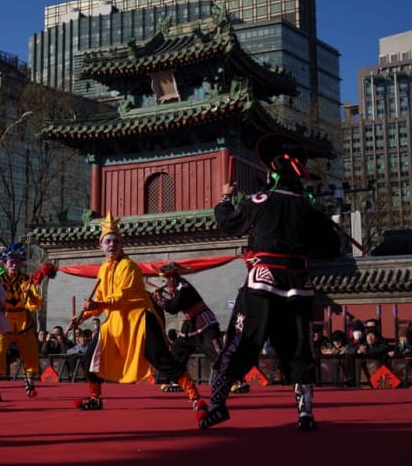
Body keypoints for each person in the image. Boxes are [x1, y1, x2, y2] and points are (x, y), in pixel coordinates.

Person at [200, 133, 341, 431]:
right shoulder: (309, 208)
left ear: (273, 173)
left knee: (242, 341)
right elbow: (331, 246)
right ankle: (305, 413)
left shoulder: (260, 200)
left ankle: (217, 403)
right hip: (298, 285)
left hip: (262, 282)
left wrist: (225, 197)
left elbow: (229, 223)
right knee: (299, 347)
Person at [68, 212, 207, 420]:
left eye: (116, 241)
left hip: (139, 320)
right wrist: (82, 317)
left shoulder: (130, 267)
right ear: (101, 246)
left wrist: (98, 304)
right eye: (108, 241)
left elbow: (122, 296)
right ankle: (95, 398)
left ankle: (195, 396)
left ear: (122, 244)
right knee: (89, 358)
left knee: (160, 358)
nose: (112, 244)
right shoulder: (103, 270)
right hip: (114, 323)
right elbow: (100, 301)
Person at [152, 262, 225, 394]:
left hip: (204, 323)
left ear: (172, 278)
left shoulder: (183, 287)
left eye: (166, 279)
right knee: (178, 350)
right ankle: (177, 380)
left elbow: (173, 308)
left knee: (215, 351)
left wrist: (159, 300)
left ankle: (237, 380)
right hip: (190, 324)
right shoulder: (176, 288)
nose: (165, 282)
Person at [0, 243, 43, 401]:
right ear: (4, 263)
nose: (13, 263)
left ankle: (30, 381)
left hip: (23, 321)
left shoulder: (26, 280)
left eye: (16, 260)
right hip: (4, 320)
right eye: (10, 260)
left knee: (31, 353)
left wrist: (30, 295)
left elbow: (35, 303)